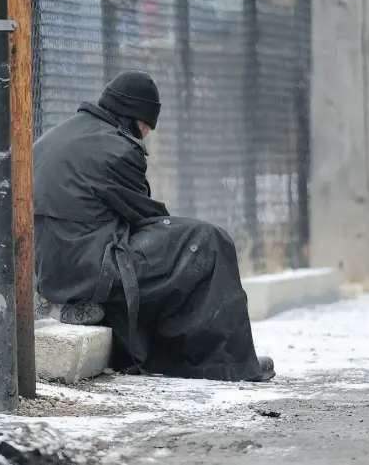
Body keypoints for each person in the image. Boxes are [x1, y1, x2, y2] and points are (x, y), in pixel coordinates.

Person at [32, 70, 276, 382]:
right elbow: (144, 217)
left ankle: (82, 306)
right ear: (136, 117)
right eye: (148, 125)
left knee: (168, 246)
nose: (147, 134)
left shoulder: (54, 137)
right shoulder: (118, 148)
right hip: (89, 268)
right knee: (207, 241)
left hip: (52, 271)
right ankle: (223, 362)